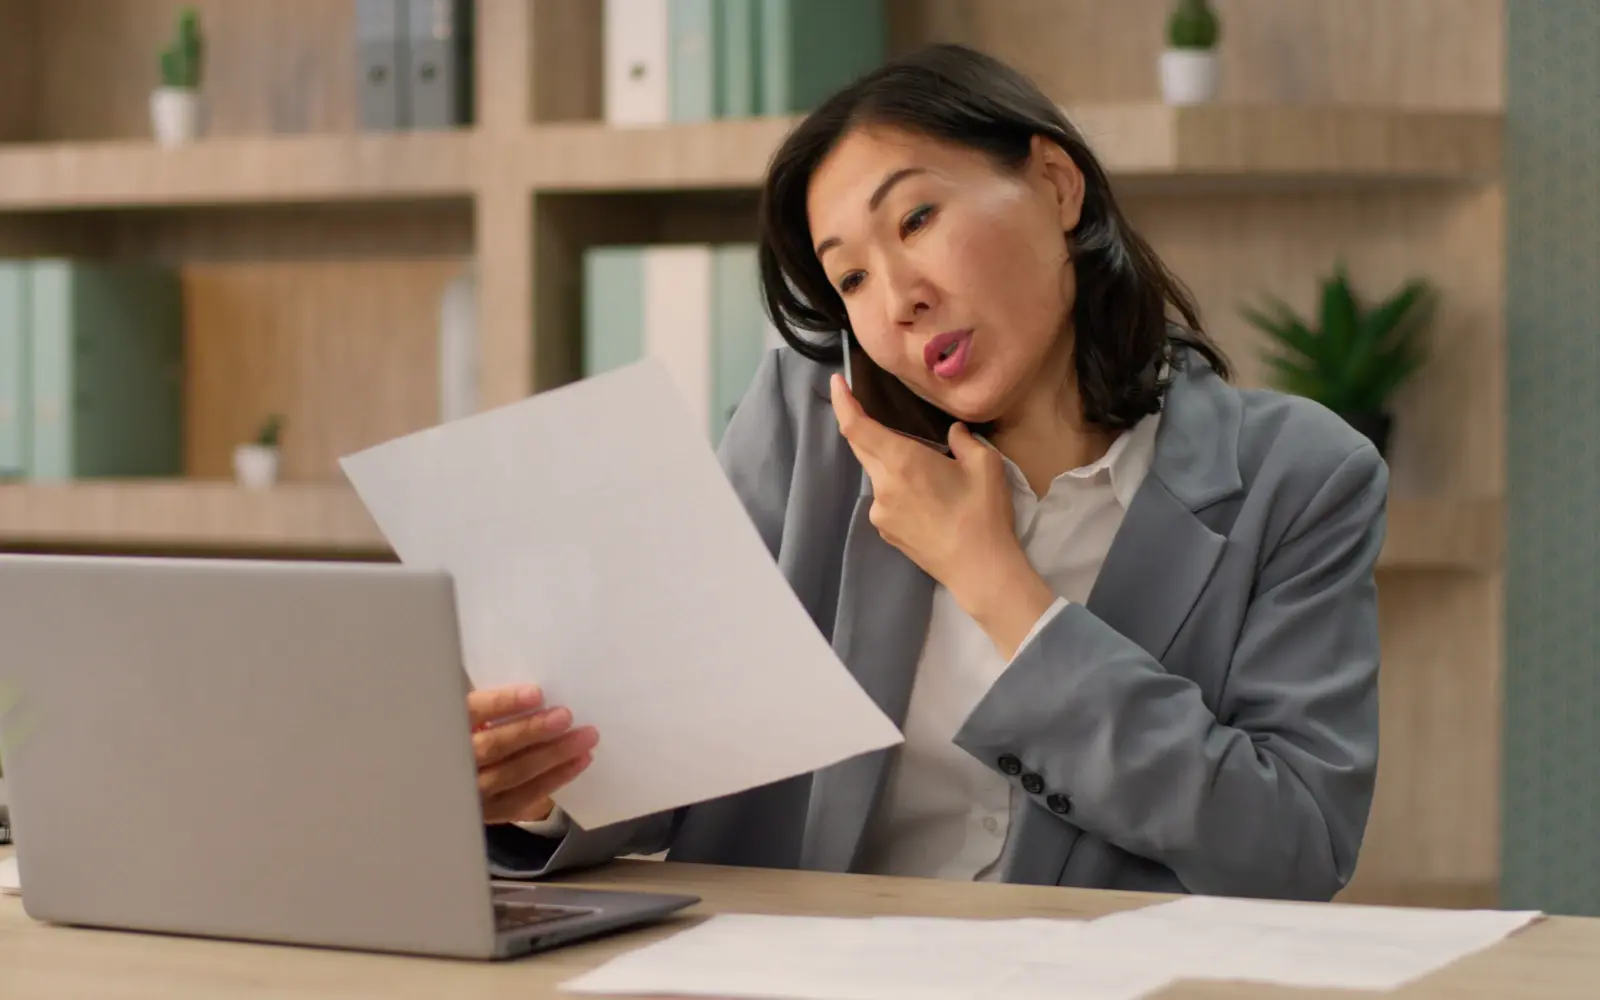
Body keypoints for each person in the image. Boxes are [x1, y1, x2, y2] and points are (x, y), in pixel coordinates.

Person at [466, 42, 1386, 901]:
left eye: (916, 219)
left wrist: (1002, 590)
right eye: (851, 280)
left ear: (1058, 185)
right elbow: (683, 751)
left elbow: (1292, 847)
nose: (899, 298)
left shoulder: (1297, 477)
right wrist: (542, 785)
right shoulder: (809, 429)